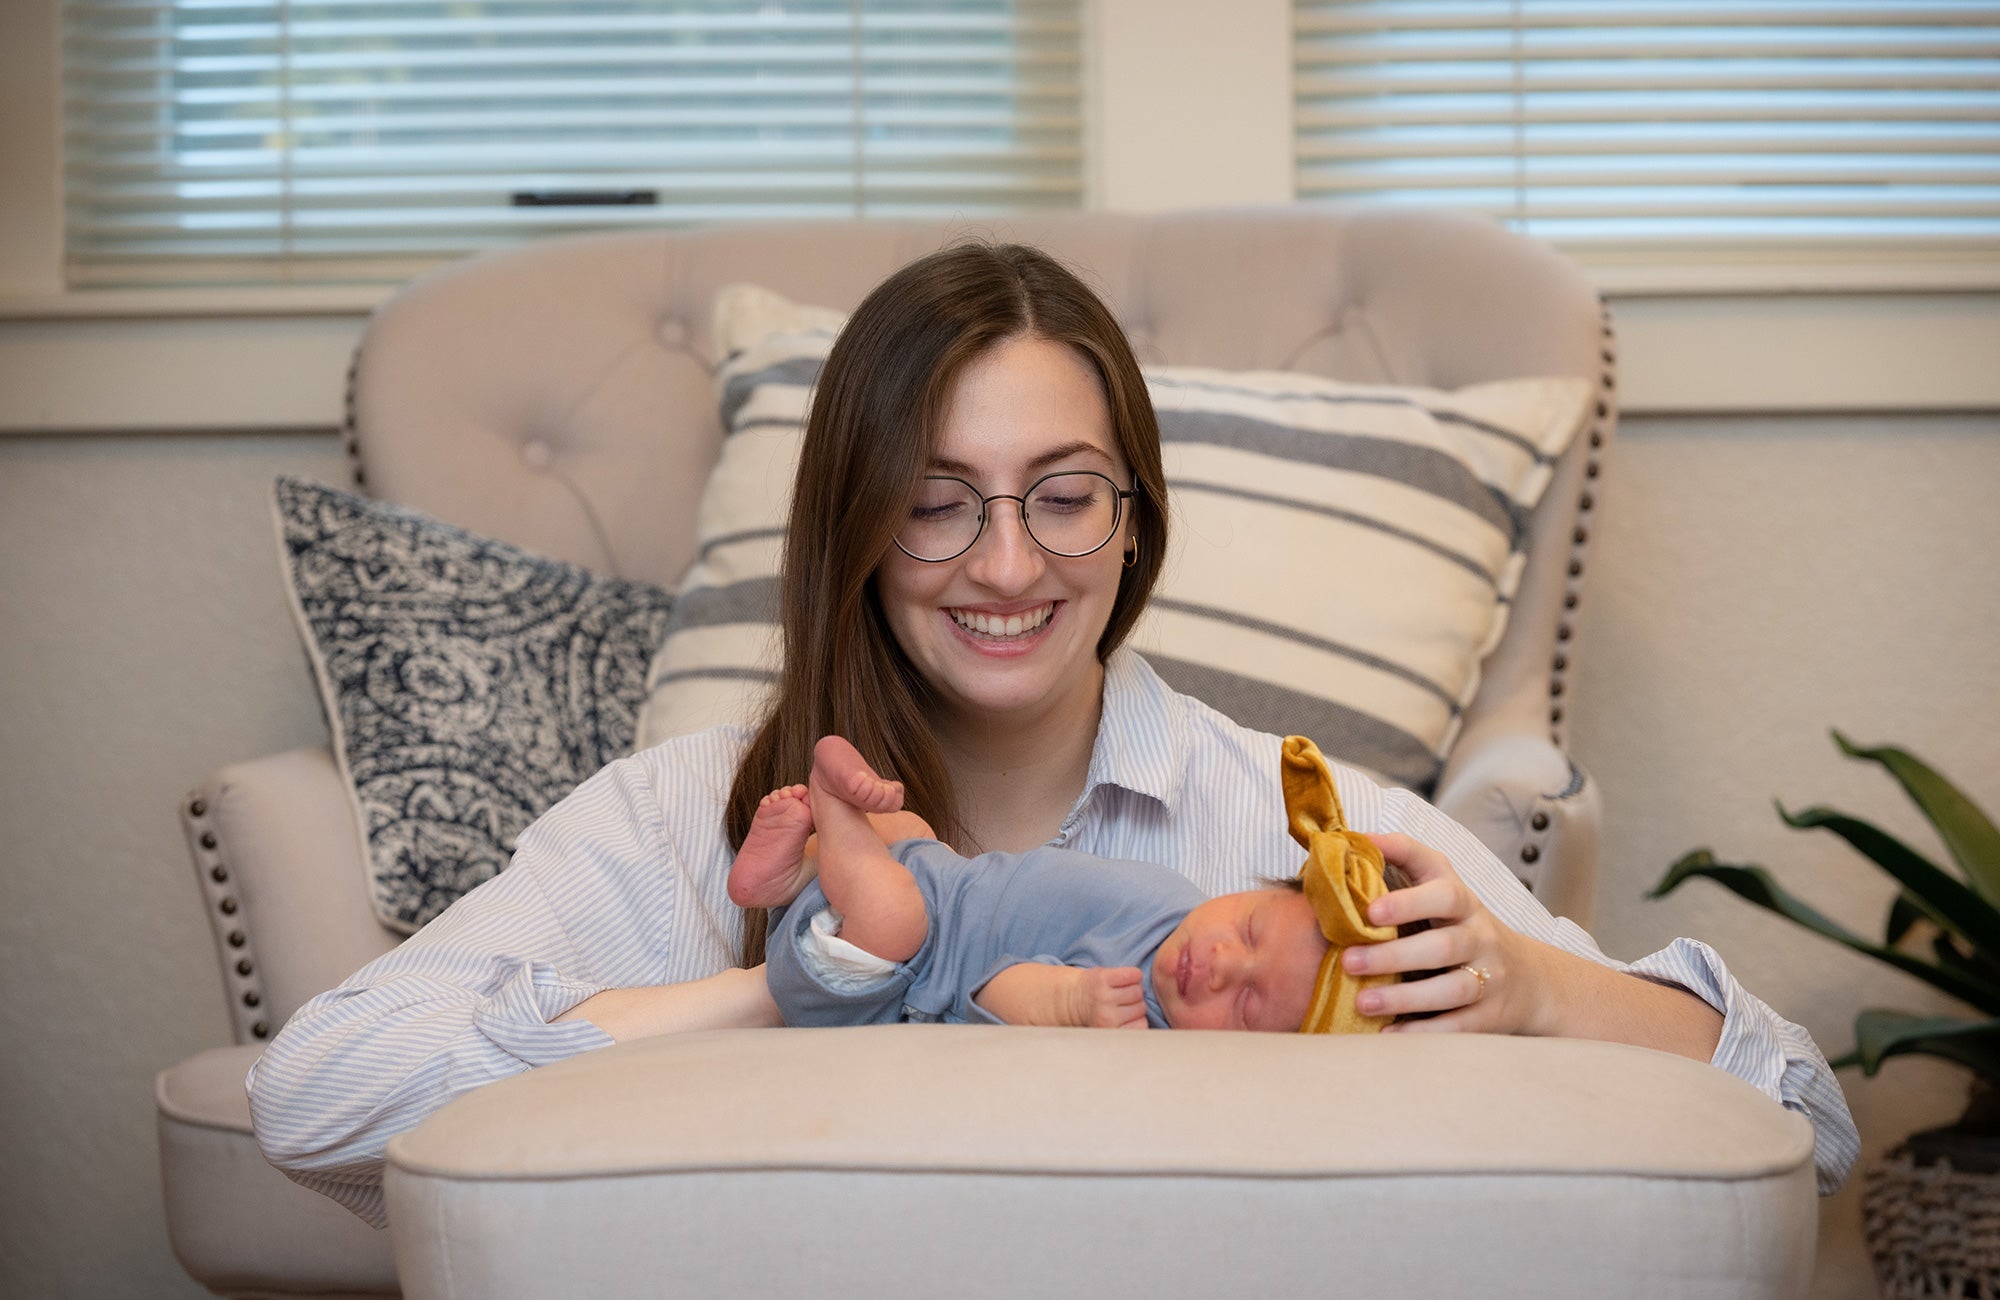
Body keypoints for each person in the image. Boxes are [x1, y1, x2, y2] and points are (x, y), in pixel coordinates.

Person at [248, 241, 1860, 1229]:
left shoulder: (1288, 836)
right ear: (858, 534)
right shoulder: (694, 818)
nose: (1008, 566)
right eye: (936, 507)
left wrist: (1529, 992)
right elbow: (317, 1096)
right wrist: (817, 981)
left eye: (1062, 496)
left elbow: (1802, 1120)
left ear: (1134, 518)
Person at [735, 733, 1412, 1033]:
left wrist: (1068, 1002)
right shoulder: (1174, 903)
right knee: (911, 832)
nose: (1221, 964)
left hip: (883, 980)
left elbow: (990, 991)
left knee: (892, 912)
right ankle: (795, 872)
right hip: (937, 880)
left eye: (1249, 1004)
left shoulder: (1127, 1010)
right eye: (1251, 927)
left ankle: (833, 809)